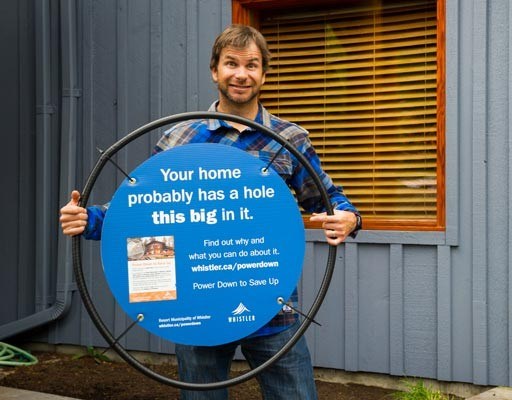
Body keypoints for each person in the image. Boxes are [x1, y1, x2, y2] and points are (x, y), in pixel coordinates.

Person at [59, 24, 362, 400]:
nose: (241, 73)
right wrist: (88, 219)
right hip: (196, 306)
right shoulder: (179, 138)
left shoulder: (290, 139)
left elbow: (331, 201)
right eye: (231, 63)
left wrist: (349, 218)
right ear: (214, 70)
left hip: (272, 307)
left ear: (264, 74)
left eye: (251, 65)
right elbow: (143, 210)